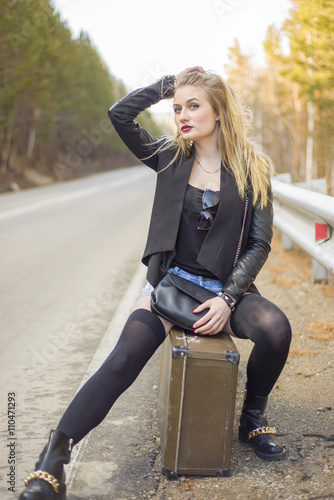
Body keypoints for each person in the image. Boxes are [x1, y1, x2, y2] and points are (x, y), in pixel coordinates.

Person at [19, 67, 291, 499]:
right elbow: (120, 115)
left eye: (193, 105)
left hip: (225, 288)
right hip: (170, 283)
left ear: (219, 111)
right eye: (177, 107)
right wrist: (166, 86)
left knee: (277, 329)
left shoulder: (253, 168)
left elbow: (259, 243)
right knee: (124, 358)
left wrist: (228, 296)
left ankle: (252, 418)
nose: (182, 114)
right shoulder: (168, 155)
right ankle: (53, 458)